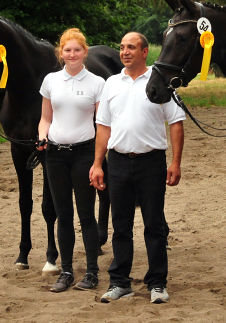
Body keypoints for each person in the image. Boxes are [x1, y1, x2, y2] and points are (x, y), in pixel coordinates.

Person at [89, 32, 184, 304]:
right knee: (121, 225)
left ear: (145, 52)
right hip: (117, 161)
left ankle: (157, 283)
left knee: (154, 225)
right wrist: (97, 164)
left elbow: (176, 123)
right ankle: (120, 282)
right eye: (122, 47)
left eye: (131, 47)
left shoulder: (160, 81)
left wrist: (175, 161)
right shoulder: (111, 83)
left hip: (151, 161)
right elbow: (103, 126)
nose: (125, 52)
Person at [37, 28, 104, 293]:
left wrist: (100, 157)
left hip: (84, 153)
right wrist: (42, 137)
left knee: (86, 214)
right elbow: (46, 118)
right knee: (63, 214)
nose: (72, 54)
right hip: (55, 155)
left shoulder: (97, 83)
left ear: (85, 52)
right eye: (67, 50)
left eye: (77, 50)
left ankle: (91, 272)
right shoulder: (50, 81)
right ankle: (66, 271)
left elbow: (102, 123)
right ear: (60, 53)